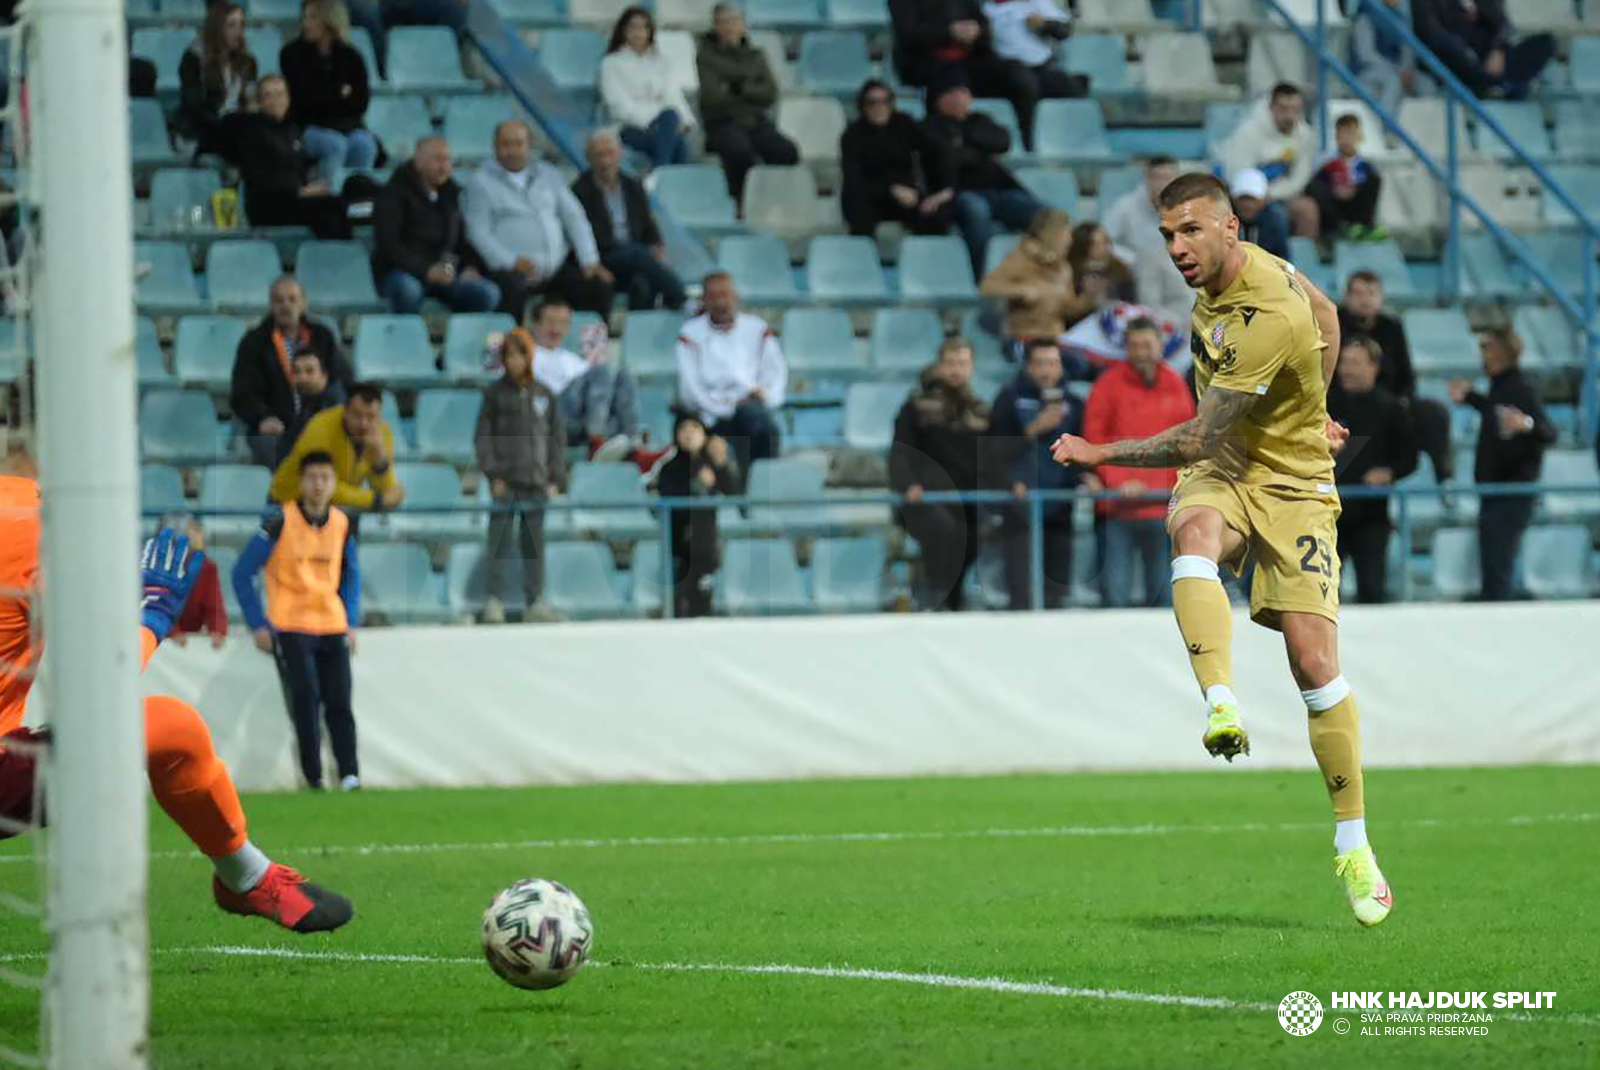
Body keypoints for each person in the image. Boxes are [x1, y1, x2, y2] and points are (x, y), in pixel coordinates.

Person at [1050, 172, 1396, 928]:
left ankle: (1353, 841)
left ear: (1229, 226)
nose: (1176, 249)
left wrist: (1094, 449)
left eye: (1190, 233)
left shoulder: (1264, 313)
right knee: (1193, 530)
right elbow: (1330, 314)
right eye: (1168, 234)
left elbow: (1194, 434)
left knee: (1314, 663)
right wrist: (1318, 401)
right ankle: (1221, 701)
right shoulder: (1257, 271)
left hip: (1296, 485)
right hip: (1228, 470)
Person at [0, 475, 352, 933]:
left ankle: (246, 878)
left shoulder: (26, 505)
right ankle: (247, 878)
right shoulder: (27, 517)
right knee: (169, 723)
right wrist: (154, 615)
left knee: (173, 726)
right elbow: (102, 683)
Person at [233, 450, 362, 791]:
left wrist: (351, 620)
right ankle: (314, 777)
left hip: (332, 625)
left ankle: (350, 776)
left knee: (340, 702)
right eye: (312, 478)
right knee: (306, 701)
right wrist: (257, 623)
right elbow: (241, 572)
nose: (319, 485)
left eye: (325, 478)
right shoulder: (280, 522)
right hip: (290, 624)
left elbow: (351, 575)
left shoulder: (342, 523)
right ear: (301, 482)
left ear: (334, 483)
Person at [1082, 317, 1195, 608]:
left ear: (1160, 345)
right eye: (1134, 345)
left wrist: (1166, 486)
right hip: (1116, 507)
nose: (1141, 352)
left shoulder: (1174, 383)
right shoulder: (1107, 385)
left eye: (1147, 344)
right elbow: (1094, 440)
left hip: (1163, 508)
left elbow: (1186, 443)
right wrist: (1119, 482)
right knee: (1114, 598)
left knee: (1165, 600)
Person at [463, 120, 614, 321]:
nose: (512, 151)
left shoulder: (549, 174)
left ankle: (589, 349)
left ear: (529, 146)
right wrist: (511, 261)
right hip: (511, 270)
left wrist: (589, 260)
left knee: (598, 285)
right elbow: (478, 232)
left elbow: (574, 217)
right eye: (505, 144)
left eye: (518, 144)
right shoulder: (480, 182)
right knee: (509, 288)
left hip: (556, 268)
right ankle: (515, 350)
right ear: (495, 146)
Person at [1448, 328, 1556, 601]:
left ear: (1507, 353)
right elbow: (1495, 410)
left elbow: (1548, 432)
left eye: (1490, 350)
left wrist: (1527, 424)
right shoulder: (1501, 387)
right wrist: (1472, 397)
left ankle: (1497, 613)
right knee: (1494, 560)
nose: (1485, 356)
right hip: (1496, 491)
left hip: (1512, 491)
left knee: (1498, 560)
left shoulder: (1519, 387)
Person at [985, 339, 1089, 609]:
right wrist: (1034, 429)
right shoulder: (1009, 398)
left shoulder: (1074, 403)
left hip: (1061, 500)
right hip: (1021, 502)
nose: (1047, 370)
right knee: (1022, 585)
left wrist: (1084, 476)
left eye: (1053, 363)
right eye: (1040, 363)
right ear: (1028, 367)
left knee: (1057, 586)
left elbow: (1083, 448)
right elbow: (994, 451)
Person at [474, 328, 569, 624]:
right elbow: (483, 437)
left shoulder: (545, 394)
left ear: (529, 356)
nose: (514, 361)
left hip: (537, 483)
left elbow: (557, 439)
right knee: (498, 543)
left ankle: (535, 601)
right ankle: (494, 601)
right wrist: (492, 475)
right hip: (505, 482)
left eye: (519, 354)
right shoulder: (493, 395)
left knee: (534, 546)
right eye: (509, 355)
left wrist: (556, 478)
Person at [891, 338, 989, 611]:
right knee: (943, 529)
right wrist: (909, 484)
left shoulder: (980, 410)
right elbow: (900, 452)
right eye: (950, 363)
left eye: (962, 363)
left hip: (968, 500)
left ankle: (951, 598)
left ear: (971, 368)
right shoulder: (916, 406)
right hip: (924, 500)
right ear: (939, 366)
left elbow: (991, 459)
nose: (956, 369)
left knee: (976, 533)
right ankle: (936, 595)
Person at [922, 65, 1042, 276]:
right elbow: (946, 157)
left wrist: (964, 142)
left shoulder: (979, 119)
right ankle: (984, 275)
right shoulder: (929, 126)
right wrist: (979, 151)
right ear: (939, 98)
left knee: (1045, 215)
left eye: (964, 91)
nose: (962, 97)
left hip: (1001, 189)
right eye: (954, 92)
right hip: (960, 193)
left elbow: (1002, 141)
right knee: (977, 212)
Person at [1333, 270, 1452, 480]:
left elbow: (1406, 375)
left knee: (1434, 413)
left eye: (1371, 293)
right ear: (1347, 297)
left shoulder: (1392, 327)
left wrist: (1401, 403)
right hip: (1342, 402)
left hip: (1387, 403)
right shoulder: (1335, 324)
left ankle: (1444, 477)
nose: (1365, 300)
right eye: (1359, 294)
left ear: (1380, 298)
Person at [888, 0, 1051, 151]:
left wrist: (977, 31)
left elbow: (983, 26)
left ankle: (1026, 143)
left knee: (1018, 74)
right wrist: (949, 32)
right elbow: (908, 35)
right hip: (926, 64)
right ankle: (951, 151)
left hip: (969, 59)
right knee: (954, 85)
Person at [1325, 336, 1416, 605]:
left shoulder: (1391, 408)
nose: (1347, 369)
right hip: (1330, 515)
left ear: (1374, 367)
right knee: (1325, 593)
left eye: (1355, 363)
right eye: (1345, 363)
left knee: (1372, 590)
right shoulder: (1326, 404)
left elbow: (1409, 458)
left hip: (1371, 518)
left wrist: (1389, 473)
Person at [371, 136, 502, 314]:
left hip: (443, 273)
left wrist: (470, 267)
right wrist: (426, 270)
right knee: (409, 290)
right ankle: (406, 339)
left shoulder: (451, 194)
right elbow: (389, 245)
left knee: (487, 293)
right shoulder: (393, 193)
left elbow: (461, 241)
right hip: (400, 272)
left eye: (448, 160)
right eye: (438, 159)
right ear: (418, 163)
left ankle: (461, 339)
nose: (444, 166)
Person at [230, 275, 349, 468]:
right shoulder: (254, 342)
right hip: (276, 428)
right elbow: (242, 393)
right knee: (273, 449)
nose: (286, 306)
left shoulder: (322, 336)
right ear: (271, 304)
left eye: (292, 299)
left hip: (321, 422)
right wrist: (263, 417)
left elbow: (342, 381)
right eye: (279, 300)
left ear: (303, 303)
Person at [674, 272, 786, 475]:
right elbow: (690, 389)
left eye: (725, 295)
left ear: (734, 296)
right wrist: (725, 407)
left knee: (764, 426)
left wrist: (767, 396)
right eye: (714, 296)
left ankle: (763, 490)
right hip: (708, 414)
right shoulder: (690, 333)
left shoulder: (756, 327)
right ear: (704, 300)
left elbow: (775, 371)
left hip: (749, 408)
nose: (720, 302)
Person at [571, 128, 687, 311]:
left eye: (610, 153)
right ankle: (680, 295)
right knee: (639, 254)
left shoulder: (633, 185)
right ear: (589, 159)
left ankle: (641, 333)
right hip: (603, 257)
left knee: (642, 284)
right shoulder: (579, 191)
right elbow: (575, 236)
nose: (606, 161)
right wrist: (594, 264)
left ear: (619, 154)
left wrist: (657, 247)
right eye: (599, 155)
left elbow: (648, 225)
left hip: (634, 256)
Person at [695, 2, 799, 203]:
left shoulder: (756, 56)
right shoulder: (706, 56)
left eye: (733, 21)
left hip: (755, 121)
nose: (729, 27)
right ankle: (743, 202)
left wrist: (737, 87)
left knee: (787, 152)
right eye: (723, 23)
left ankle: (775, 200)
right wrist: (751, 87)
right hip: (722, 123)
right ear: (715, 27)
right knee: (740, 152)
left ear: (742, 24)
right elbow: (713, 97)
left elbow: (769, 93)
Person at [521, 297, 644, 461]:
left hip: (579, 426)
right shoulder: (524, 355)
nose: (556, 328)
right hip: (548, 420)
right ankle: (597, 439)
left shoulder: (573, 360)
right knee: (600, 370)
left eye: (563, 323)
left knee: (623, 377)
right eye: (550, 321)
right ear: (535, 323)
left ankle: (634, 447)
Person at [232, 75, 352, 238]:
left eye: (281, 94)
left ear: (288, 98)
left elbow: (297, 168)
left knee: (341, 202)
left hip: (294, 198)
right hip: (267, 206)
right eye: (269, 95)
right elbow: (260, 181)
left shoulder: (291, 130)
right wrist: (298, 191)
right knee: (330, 209)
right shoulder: (253, 133)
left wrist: (310, 187)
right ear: (259, 102)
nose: (276, 100)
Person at [650, 411, 741, 618]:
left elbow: (735, 495)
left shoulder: (714, 464)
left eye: (695, 428)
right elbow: (671, 502)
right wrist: (699, 485)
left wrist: (722, 463)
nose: (689, 434)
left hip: (707, 548)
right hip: (678, 550)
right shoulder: (669, 469)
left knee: (704, 605)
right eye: (683, 429)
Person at [839, 79, 954, 239]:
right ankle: (862, 260)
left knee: (935, 215)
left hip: (905, 194)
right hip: (868, 193)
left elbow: (934, 153)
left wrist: (940, 191)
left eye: (884, 101)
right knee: (860, 213)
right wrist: (890, 189)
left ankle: (927, 260)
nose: (879, 107)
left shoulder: (904, 124)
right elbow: (854, 178)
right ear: (863, 106)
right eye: (872, 102)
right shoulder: (852, 135)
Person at [279, 0, 377, 182]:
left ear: (329, 21)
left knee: (365, 144)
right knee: (334, 145)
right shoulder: (292, 54)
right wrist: (339, 92)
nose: (305, 23)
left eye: (313, 18)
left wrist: (326, 93)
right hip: (305, 127)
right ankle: (325, 200)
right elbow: (303, 100)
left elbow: (361, 101)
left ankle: (359, 200)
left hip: (346, 125)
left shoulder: (351, 56)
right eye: (305, 17)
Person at [271, 382, 406, 510]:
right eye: (357, 414)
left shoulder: (382, 432)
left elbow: (389, 493)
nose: (364, 423)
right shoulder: (321, 428)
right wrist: (376, 500)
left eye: (371, 416)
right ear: (345, 410)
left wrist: (379, 459)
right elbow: (321, 486)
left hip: (340, 509)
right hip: (290, 504)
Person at [978, 208, 1088, 362]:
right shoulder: (1021, 259)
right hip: (1023, 337)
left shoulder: (1064, 269)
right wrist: (1020, 290)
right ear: (1052, 234)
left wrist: (1089, 299)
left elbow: (1067, 309)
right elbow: (987, 287)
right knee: (1072, 365)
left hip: (1055, 339)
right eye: (1066, 234)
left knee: (1087, 364)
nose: (1070, 240)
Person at [1104, 156, 1193, 330]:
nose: (1163, 184)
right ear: (1147, 178)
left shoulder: (1188, 209)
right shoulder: (1125, 207)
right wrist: (1132, 259)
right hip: (1142, 271)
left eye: (1169, 178)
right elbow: (1105, 242)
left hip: (1178, 272)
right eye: (1157, 177)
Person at [1219, 83, 1320, 237]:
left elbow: (1299, 178)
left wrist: (1272, 195)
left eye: (1295, 110)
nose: (1289, 116)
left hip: (1280, 195)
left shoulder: (1305, 136)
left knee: (1308, 210)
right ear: (1271, 107)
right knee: (1268, 215)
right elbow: (1237, 174)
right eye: (1283, 109)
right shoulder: (1248, 133)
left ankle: (1298, 258)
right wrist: (1257, 197)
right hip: (1246, 195)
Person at [600, 5, 694, 168]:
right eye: (633, 27)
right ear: (623, 30)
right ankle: (665, 178)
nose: (639, 32)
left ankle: (659, 175)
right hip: (629, 128)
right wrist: (655, 120)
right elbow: (619, 107)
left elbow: (673, 95)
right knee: (674, 136)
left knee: (675, 132)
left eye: (644, 27)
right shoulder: (611, 64)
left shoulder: (661, 63)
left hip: (663, 126)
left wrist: (684, 120)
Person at [1413, 0, 1554, 101]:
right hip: (1457, 61)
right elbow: (1431, 34)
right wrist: (1467, 54)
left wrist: (1497, 50)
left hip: (1492, 57)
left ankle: (1499, 85)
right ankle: (1498, 85)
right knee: (1458, 61)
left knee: (1545, 42)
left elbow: (1503, 25)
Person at [177, 0, 258, 162]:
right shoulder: (193, 59)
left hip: (237, 126)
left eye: (241, 25)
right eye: (231, 25)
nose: (239, 32)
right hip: (205, 129)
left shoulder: (247, 61)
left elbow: (249, 101)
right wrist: (228, 123)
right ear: (217, 28)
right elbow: (196, 107)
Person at [1306, 114, 1383, 242]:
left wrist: (1354, 189)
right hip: (1334, 208)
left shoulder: (1365, 166)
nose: (1347, 139)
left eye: (1351, 133)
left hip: (1356, 207)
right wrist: (1334, 190)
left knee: (1374, 180)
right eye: (1343, 134)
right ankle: (1334, 229)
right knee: (1316, 185)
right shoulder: (1328, 164)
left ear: (1359, 136)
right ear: (1336, 137)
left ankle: (1363, 227)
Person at [161, 513, 229, 650]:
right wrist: (173, 632)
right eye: (194, 533)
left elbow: (214, 606)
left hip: (186, 638)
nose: (201, 538)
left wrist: (217, 630)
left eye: (199, 532)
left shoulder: (207, 568)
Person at [277, 348, 347, 464]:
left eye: (309, 371)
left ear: (324, 375)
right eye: (297, 372)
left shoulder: (334, 405)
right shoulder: (309, 400)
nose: (302, 378)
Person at [1349, 0, 1414, 118]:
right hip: (1366, 72)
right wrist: (1397, 69)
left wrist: (1405, 69)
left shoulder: (1400, 18)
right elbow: (1367, 55)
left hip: (1392, 71)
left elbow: (1407, 49)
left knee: (1427, 86)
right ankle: (1385, 128)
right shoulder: (1365, 17)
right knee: (1392, 81)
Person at [1066, 221, 1138, 325]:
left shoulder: (1121, 269)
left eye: (1105, 241)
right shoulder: (1070, 271)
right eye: (1095, 244)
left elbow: (1131, 303)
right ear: (1083, 246)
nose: (1104, 247)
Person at [1229, 168, 1291, 262]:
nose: (1247, 205)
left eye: (1253, 199)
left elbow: (1284, 262)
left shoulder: (1275, 224)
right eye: (1242, 198)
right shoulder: (1224, 224)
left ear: (1265, 200)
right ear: (1233, 199)